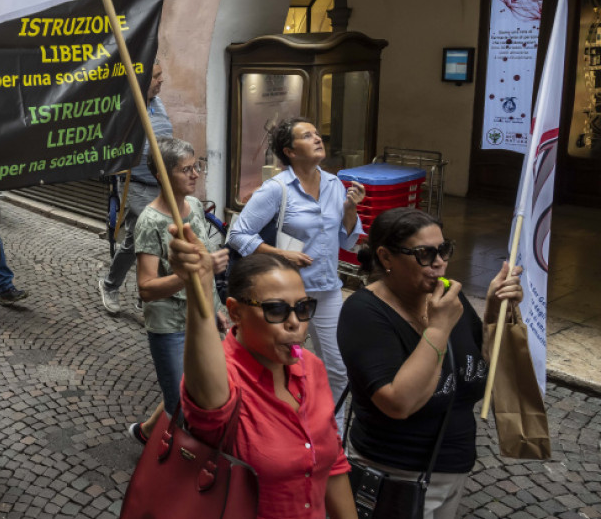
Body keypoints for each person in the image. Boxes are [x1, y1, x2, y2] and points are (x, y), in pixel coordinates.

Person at [337, 208, 521, 518]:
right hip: (394, 474)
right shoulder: (364, 313)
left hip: (452, 468)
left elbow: (479, 368)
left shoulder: (448, 296)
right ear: (386, 257)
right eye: (424, 253)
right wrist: (437, 330)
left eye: (443, 250)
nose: (439, 262)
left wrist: (493, 309)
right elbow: (399, 403)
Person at [168, 229, 357, 519]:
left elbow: (333, 463)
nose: (295, 323)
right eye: (276, 310)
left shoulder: (311, 366)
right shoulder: (226, 379)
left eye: (302, 308)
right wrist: (200, 289)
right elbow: (209, 394)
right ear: (235, 312)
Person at [228, 116, 365, 415]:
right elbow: (237, 234)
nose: (318, 138)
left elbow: (347, 241)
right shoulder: (277, 189)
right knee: (282, 364)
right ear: (289, 151)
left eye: (318, 134)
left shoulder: (334, 184)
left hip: (327, 290)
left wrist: (350, 210)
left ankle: (333, 433)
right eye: (307, 136)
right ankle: (282, 425)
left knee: (339, 368)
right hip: (285, 295)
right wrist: (281, 254)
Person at [125, 137, 228, 445]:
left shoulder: (195, 207)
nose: (195, 174)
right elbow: (146, 289)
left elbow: (205, 270)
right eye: (185, 169)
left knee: (197, 389)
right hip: (170, 326)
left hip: (201, 318)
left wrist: (217, 309)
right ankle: (172, 470)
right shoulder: (150, 221)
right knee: (182, 405)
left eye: (196, 165)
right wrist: (191, 274)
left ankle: (145, 432)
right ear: (162, 176)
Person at [98, 59, 171, 314]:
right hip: (135, 185)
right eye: (156, 76)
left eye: (161, 75)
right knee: (140, 239)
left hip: (160, 184)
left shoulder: (158, 104)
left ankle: (144, 293)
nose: (161, 80)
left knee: (154, 240)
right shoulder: (127, 106)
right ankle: (111, 286)